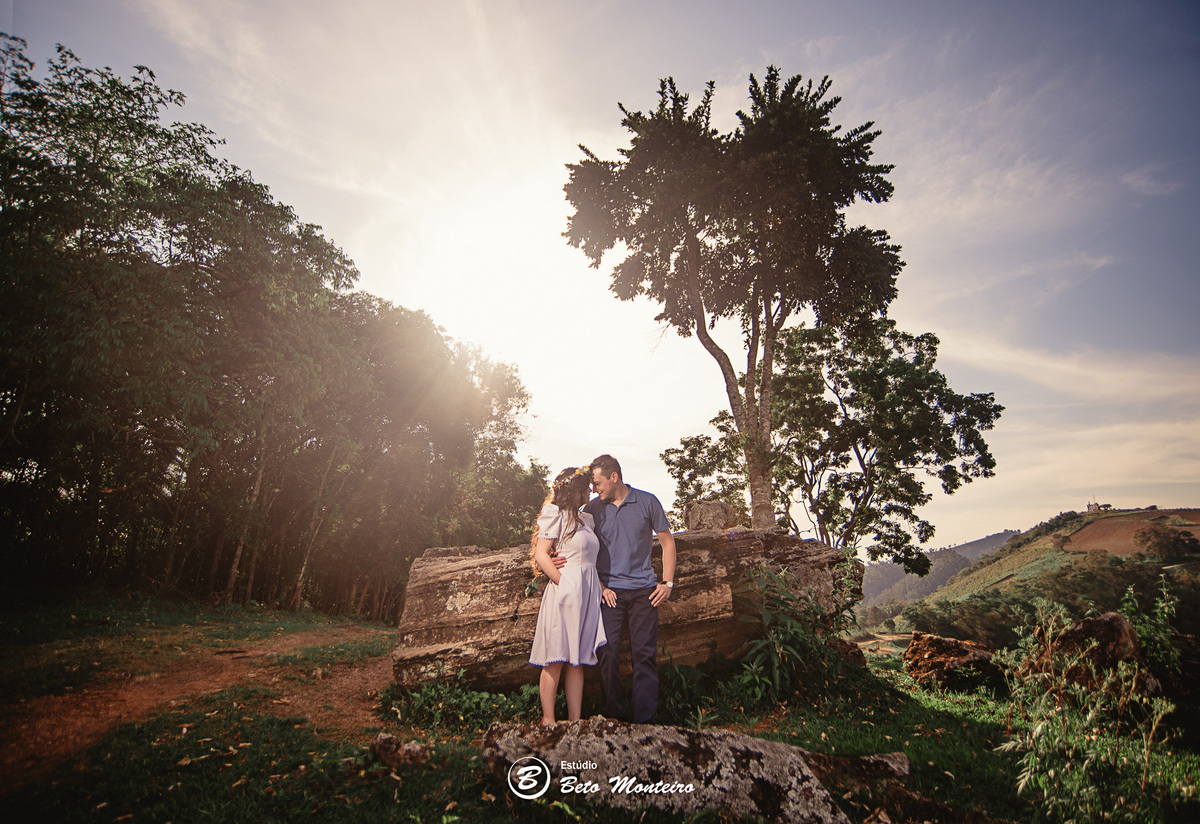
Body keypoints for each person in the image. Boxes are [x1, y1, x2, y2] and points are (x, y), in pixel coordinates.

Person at [583, 454, 676, 724]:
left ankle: (644, 723)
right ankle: (615, 719)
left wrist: (668, 583)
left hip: (644, 592)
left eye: (598, 483)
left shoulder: (647, 501)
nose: (595, 489)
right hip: (609, 593)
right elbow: (578, 545)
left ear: (614, 477)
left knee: (644, 656)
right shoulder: (591, 510)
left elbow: (668, 543)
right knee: (606, 652)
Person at [528, 466, 607, 725]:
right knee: (555, 658)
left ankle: (575, 722)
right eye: (587, 488)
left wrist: (600, 587)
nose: (590, 492)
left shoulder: (586, 519)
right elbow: (542, 554)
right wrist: (563, 583)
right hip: (565, 591)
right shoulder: (555, 515)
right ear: (576, 491)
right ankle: (548, 720)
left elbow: (590, 561)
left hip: (587, 593)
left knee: (577, 661)